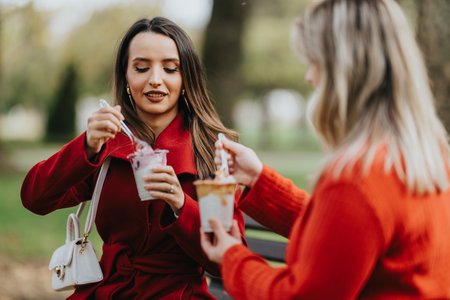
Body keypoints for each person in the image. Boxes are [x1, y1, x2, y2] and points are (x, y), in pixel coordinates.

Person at [200, 0, 450, 299]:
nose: (309, 76)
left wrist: (232, 257)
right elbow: (346, 237)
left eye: (314, 62)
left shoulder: (357, 179)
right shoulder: (426, 153)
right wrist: (260, 180)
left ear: (342, 70)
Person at [21, 17, 245, 299]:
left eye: (170, 68)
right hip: (108, 289)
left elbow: (225, 261)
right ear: (126, 77)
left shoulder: (212, 151)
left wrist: (180, 204)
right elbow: (34, 198)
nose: (155, 79)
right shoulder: (106, 144)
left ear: (185, 77)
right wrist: (86, 147)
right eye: (141, 68)